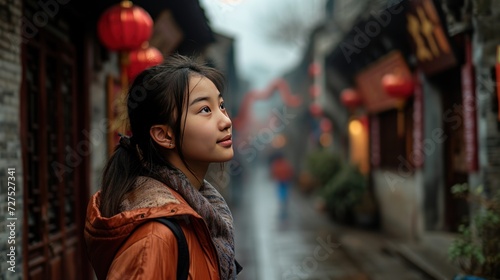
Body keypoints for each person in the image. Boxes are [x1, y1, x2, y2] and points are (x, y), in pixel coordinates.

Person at [84, 54, 242, 279]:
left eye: (221, 105)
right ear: (164, 135)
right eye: (205, 110)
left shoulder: (202, 211)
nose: (226, 121)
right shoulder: (155, 238)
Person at [270, 153, 294, 219]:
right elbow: (290, 171)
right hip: (285, 180)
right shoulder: (285, 164)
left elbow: (274, 172)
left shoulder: (276, 164)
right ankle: (284, 201)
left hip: (280, 180)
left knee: (281, 191)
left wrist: (275, 177)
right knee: (285, 191)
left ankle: (282, 201)